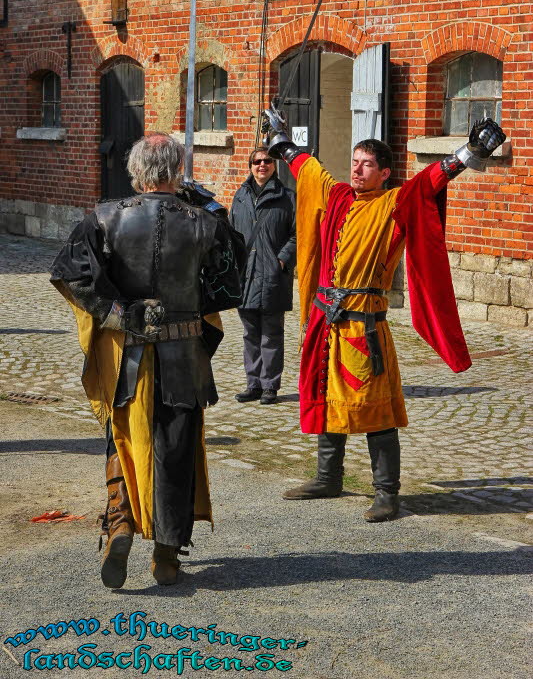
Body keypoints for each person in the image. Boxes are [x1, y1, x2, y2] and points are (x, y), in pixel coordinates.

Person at [262, 109, 506, 521]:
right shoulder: (337, 196)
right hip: (326, 319)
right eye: (355, 162)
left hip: (363, 323)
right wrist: (280, 141)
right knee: (322, 392)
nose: (357, 169)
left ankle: (387, 492)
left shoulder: (395, 203)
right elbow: (307, 168)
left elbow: (430, 180)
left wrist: (470, 151)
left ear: (385, 173)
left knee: (375, 406)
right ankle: (328, 476)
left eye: (367, 164)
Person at [50, 133, 245, 587]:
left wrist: (119, 313)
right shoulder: (203, 222)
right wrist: (209, 211)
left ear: (136, 172)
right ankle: (166, 553)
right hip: (184, 354)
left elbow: (69, 274)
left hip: (125, 357)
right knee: (175, 448)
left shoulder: (102, 218)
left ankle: (119, 523)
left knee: (122, 439)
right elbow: (231, 286)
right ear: (177, 170)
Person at [229, 147, 296, 405]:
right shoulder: (240, 196)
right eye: (256, 162)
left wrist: (282, 259)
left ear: (274, 165)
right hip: (245, 275)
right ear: (250, 166)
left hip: (272, 275)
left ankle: (270, 385)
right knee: (249, 333)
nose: (262, 165)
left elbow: (297, 233)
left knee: (271, 333)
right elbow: (233, 233)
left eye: (267, 161)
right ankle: (253, 383)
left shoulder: (287, 198)